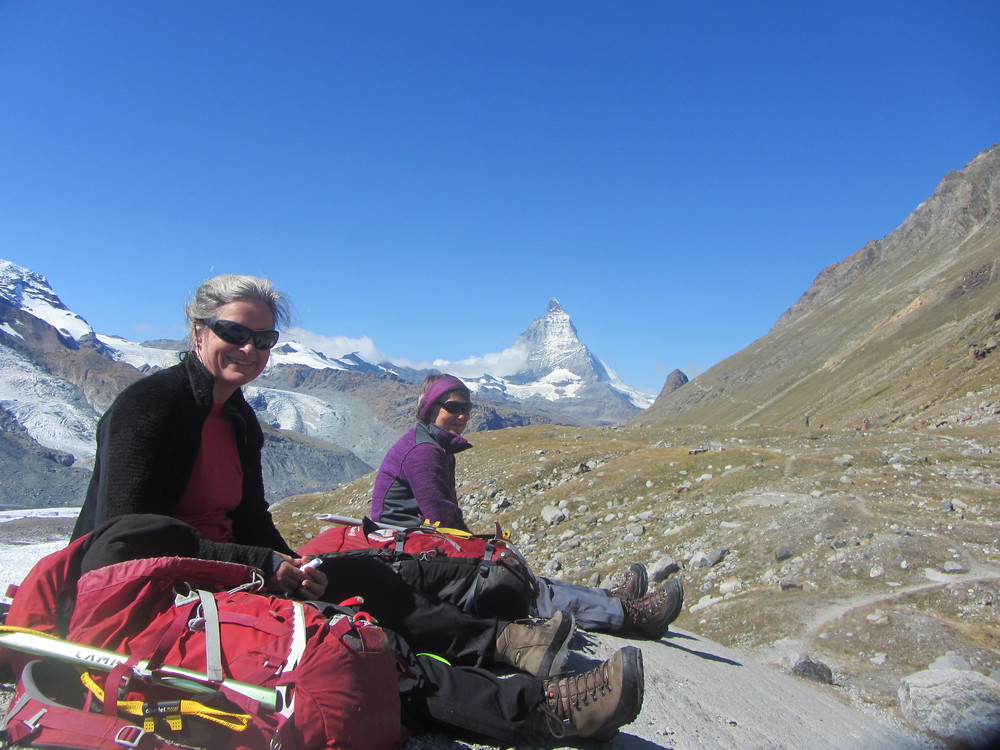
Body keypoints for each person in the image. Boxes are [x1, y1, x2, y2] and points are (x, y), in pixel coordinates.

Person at [69, 274, 642, 743]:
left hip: (229, 575)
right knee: (343, 642)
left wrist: (293, 566)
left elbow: (251, 518)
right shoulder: (150, 408)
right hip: (149, 595)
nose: (250, 350)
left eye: (264, 340)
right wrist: (264, 569)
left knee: (363, 575)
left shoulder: (238, 419)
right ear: (198, 332)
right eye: (234, 333)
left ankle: (504, 642)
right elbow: (126, 540)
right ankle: (537, 709)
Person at [372, 373, 685, 638]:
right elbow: (445, 521)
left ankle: (612, 599)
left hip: (412, 549)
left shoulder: (430, 445)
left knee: (518, 575)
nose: (463, 416)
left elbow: (442, 520)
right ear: (430, 409)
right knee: (516, 585)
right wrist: (483, 549)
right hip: (408, 558)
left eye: (467, 407)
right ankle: (630, 615)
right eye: (453, 407)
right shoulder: (424, 452)